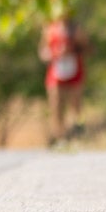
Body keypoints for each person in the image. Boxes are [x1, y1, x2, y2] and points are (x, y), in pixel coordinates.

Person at [38, 8, 90, 145]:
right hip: (56, 71)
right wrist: (52, 54)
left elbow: (88, 49)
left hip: (75, 69)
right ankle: (59, 135)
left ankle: (76, 133)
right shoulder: (49, 30)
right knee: (56, 103)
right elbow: (43, 51)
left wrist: (74, 49)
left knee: (76, 103)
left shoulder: (76, 30)